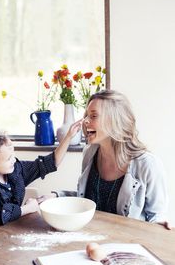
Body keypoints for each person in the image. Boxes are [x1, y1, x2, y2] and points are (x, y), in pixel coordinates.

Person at [43, 90, 171, 229]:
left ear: (115, 120)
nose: (85, 121)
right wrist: (57, 196)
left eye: (93, 116)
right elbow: (87, 201)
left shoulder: (148, 164)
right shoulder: (89, 153)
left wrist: (161, 224)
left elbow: (156, 216)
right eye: (87, 115)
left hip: (127, 243)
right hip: (89, 238)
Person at [0, 121, 82, 225]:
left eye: (13, 155)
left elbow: (49, 163)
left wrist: (68, 137)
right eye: (8, 159)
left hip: (11, 230)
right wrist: (27, 209)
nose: (13, 160)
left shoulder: (16, 169)